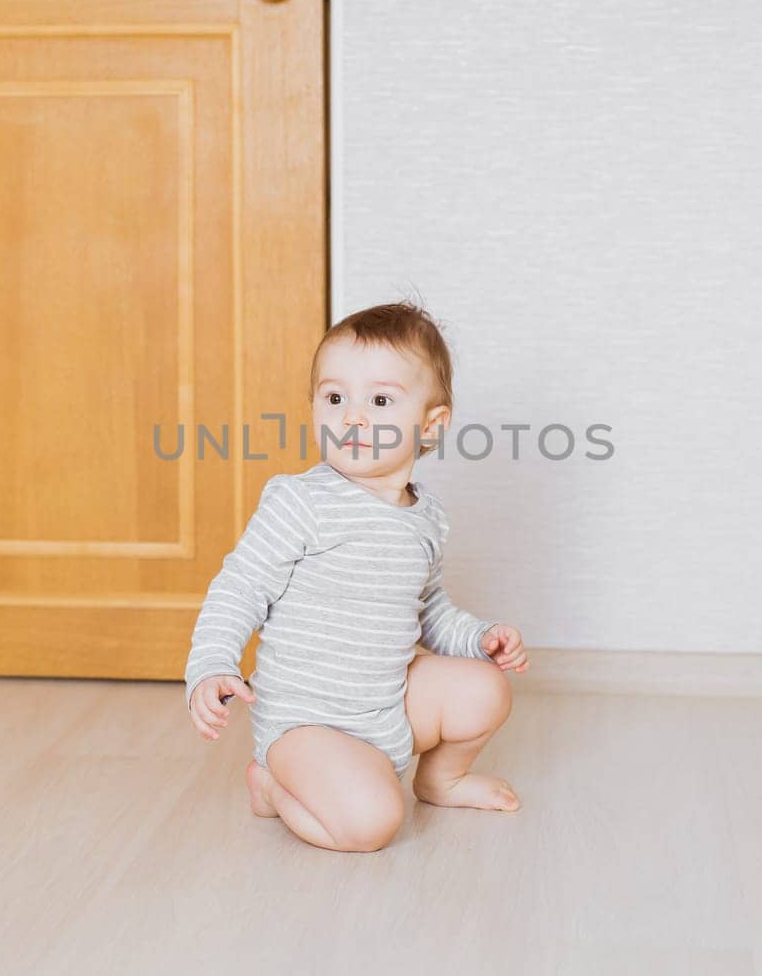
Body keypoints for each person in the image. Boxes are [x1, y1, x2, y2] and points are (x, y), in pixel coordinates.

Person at [183, 300, 529, 852]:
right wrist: (212, 663)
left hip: (387, 704)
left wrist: (479, 637)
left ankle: (441, 780)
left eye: (381, 400)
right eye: (335, 397)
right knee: (371, 825)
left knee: (485, 689)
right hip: (307, 721)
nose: (353, 417)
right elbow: (241, 585)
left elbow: (427, 607)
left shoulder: (426, 517)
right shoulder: (301, 501)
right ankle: (273, 785)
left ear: (431, 424)